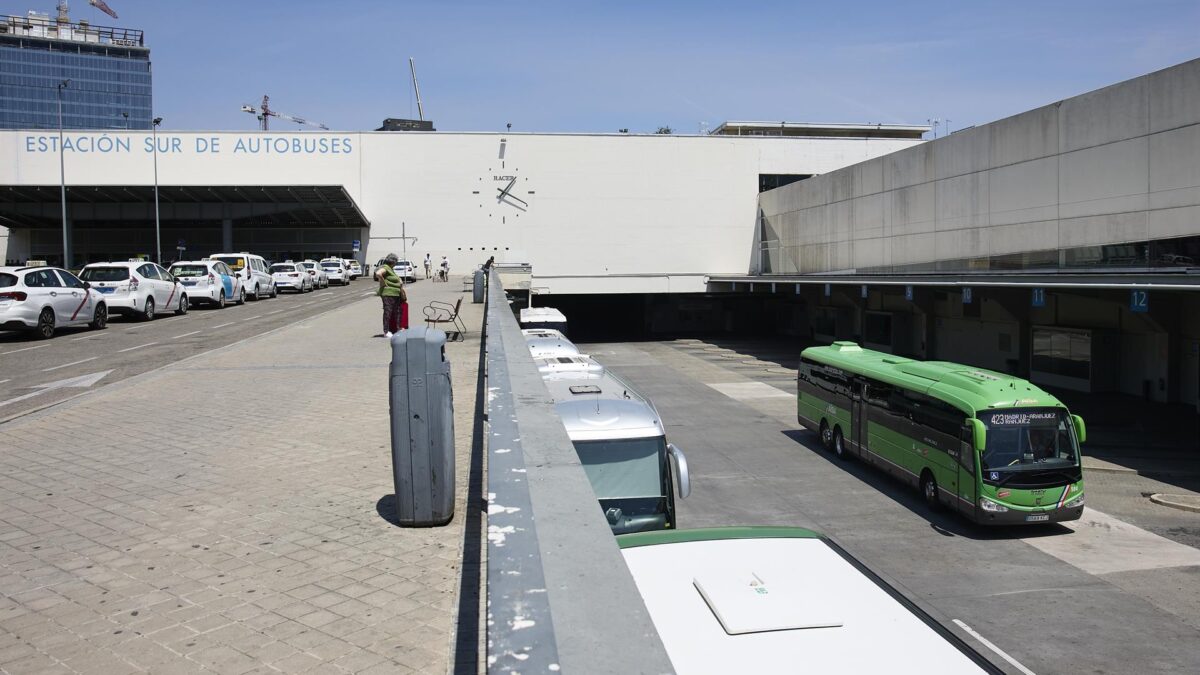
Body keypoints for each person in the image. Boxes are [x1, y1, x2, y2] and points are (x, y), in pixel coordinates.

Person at [375, 253, 407, 337]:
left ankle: (398, 328)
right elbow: (378, 273)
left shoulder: (390, 269)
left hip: (395, 294)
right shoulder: (385, 267)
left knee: (398, 311)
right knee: (388, 312)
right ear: (393, 261)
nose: (396, 263)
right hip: (388, 293)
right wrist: (383, 282)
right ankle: (386, 331)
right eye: (396, 262)